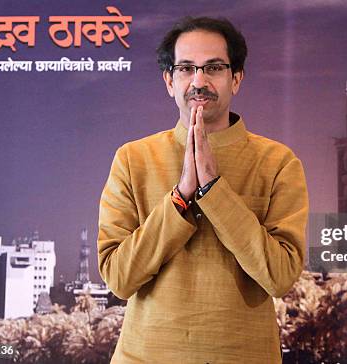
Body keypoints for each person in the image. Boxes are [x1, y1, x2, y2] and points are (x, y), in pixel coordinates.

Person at [97, 16, 308, 363]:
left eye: (213, 68)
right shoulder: (132, 159)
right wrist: (180, 197)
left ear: (236, 78)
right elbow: (119, 278)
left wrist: (213, 188)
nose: (199, 81)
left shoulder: (278, 162)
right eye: (186, 69)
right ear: (169, 81)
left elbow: (280, 276)